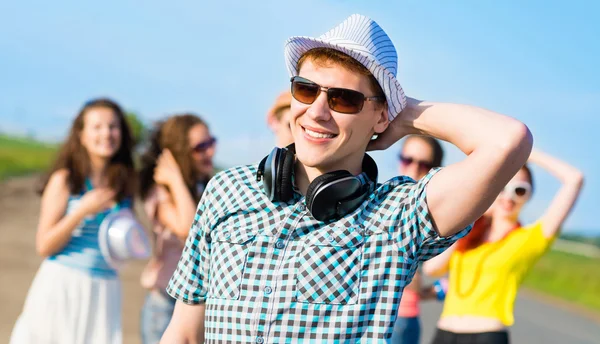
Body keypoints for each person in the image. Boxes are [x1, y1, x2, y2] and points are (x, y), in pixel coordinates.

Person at [160, 14, 533, 343]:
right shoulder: (227, 190)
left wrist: (407, 114)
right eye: (305, 90)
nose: (317, 112)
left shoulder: (397, 218)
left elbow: (508, 141)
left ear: (381, 116)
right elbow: (184, 332)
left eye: (344, 100)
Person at [424, 149, 584, 344]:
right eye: (502, 188)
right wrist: (474, 214)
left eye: (519, 190)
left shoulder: (530, 238)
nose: (509, 197)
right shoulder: (470, 233)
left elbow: (574, 179)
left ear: (528, 195)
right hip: (445, 331)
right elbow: (432, 268)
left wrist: (528, 154)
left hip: (487, 334)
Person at [10, 98, 136, 344]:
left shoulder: (123, 186)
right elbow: (44, 246)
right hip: (65, 286)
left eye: (113, 126)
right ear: (81, 135)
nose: (107, 134)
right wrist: (80, 212)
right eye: (97, 127)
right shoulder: (65, 179)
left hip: (106, 290)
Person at [138, 114, 217, 344]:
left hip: (198, 307)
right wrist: (174, 180)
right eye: (200, 147)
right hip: (164, 306)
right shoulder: (161, 192)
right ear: (181, 152)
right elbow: (188, 228)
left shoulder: (204, 187)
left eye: (211, 142)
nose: (210, 151)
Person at [391, 135, 444, 344]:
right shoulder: (387, 199)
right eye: (407, 160)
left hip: (398, 319)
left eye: (423, 164)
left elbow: (413, 278)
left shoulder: (428, 212)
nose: (413, 169)